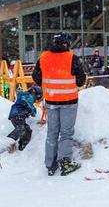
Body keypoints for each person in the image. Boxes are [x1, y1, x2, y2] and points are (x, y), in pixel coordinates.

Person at [32, 32, 87, 176]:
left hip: (51, 101)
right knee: (66, 133)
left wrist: (49, 85)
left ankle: (50, 164)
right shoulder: (72, 58)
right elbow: (81, 81)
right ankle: (65, 162)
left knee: (52, 132)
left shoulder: (44, 57)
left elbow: (36, 76)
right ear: (66, 43)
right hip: (69, 101)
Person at [7, 85, 41, 151]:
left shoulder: (25, 95)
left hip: (16, 115)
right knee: (21, 128)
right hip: (18, 114)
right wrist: (32, 111)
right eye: (37, 99)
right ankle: (7, 142)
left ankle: (22, 147)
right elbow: (28, 105)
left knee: (27, 130)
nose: (36, 100)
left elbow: (23, 100)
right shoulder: (28, 96)